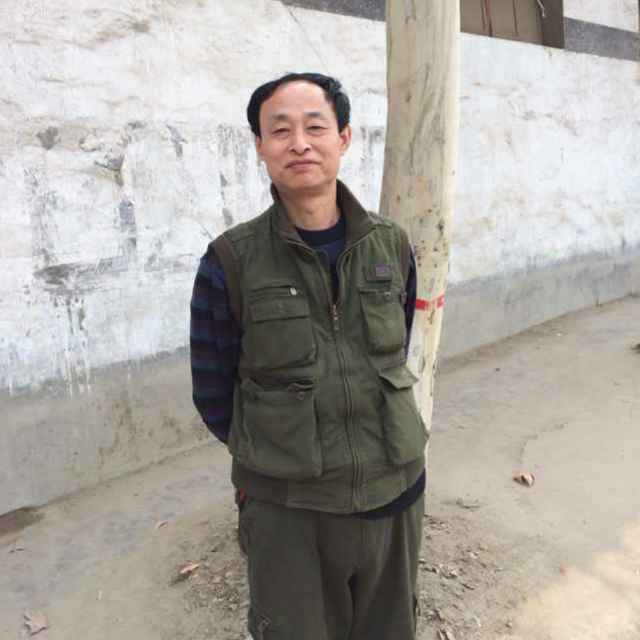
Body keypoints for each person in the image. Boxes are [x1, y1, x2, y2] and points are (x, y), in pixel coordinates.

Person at [190, 72, 428, 640]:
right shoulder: (230, 260)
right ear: (260, 147)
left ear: (343, 138)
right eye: (280, 131)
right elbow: (214, 392)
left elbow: (396, 351)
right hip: (289, 513)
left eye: (315, 127)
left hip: (394, 494)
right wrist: (277, 456)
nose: (299, 143)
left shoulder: (391, 244)